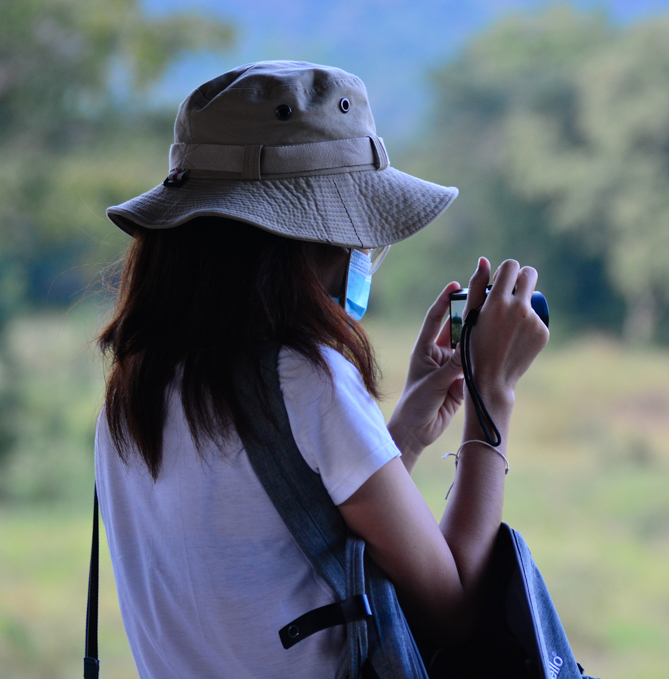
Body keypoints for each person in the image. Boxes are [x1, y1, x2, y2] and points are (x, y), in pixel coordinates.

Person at [95, 61, 549, 677]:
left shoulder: (135, 388)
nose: (363, 256)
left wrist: (405, 432)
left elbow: (283, 542)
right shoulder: (306, 379)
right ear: (315, 238)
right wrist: (490, 401)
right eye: (361, 236)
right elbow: (458, 608)